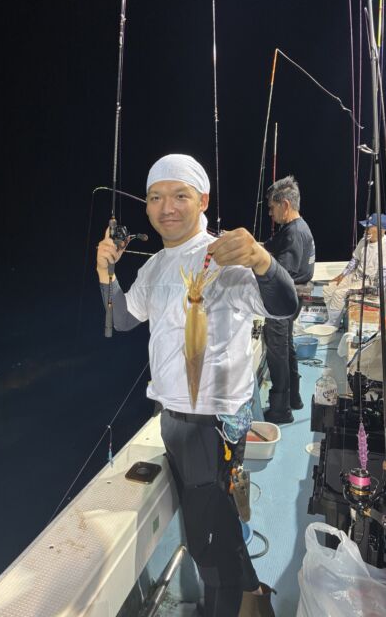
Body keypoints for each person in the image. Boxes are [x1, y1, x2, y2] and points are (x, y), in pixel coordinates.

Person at [96, 154, 298, 617]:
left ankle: (230, 602)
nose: (166, 206)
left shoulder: (225, 255)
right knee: (213, 524)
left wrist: (262, 260)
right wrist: (106, 274)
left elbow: (285, 306)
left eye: (180, 195)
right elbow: (122, 319)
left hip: (214, 425)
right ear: (146, 206)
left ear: (203, 200)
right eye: (155, 197)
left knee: (209, 548)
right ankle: (252, 593)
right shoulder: (154, 267)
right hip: (172, 420)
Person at [262, 176, 315, 425]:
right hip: (294, 300)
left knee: (277, 353)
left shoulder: (294, 233)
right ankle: (294, 398)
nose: (270, 214)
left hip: (282, 301)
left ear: (284, 205)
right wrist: (244, 244)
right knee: (287, 347)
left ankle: (280, 409)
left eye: (271, 208)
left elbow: (281, 274)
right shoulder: (295, 228)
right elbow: (267, 247)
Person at [323, 213, 386, 328]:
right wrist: (342, 275)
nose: (366, 230)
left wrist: (375, 291)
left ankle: (333, 325)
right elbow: (355, 260)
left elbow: (384, 276)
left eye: (369, 227)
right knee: (329, 288)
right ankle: (334, 318)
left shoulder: (384, 246)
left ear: (381, 230)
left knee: (339, 293)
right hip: (356, 275)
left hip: (369, 282)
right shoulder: (364, 240)